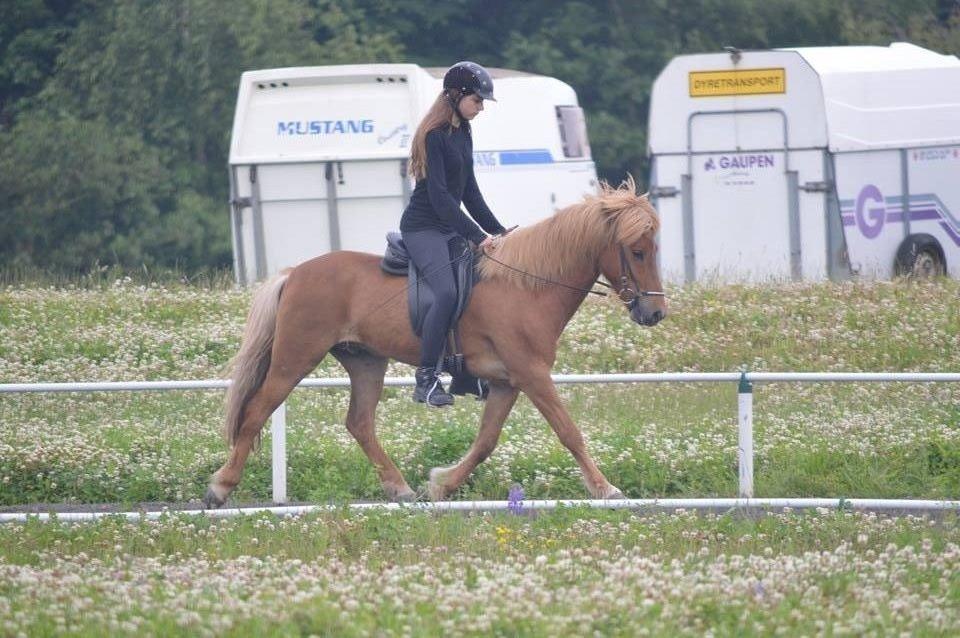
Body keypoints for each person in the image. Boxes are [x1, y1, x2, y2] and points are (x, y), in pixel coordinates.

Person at [400, 61, 509, 407]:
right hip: (423, 227)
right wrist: (476, 236)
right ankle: (426, 379)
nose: (480, 108)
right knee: (446, 292)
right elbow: (441, 199)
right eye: (477, 101)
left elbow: (469, 191)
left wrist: (500, 231)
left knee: (476, 289)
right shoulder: (434, 136)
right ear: (457, 94)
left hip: (448, 228)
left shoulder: (463, 131)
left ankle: (464, 374)